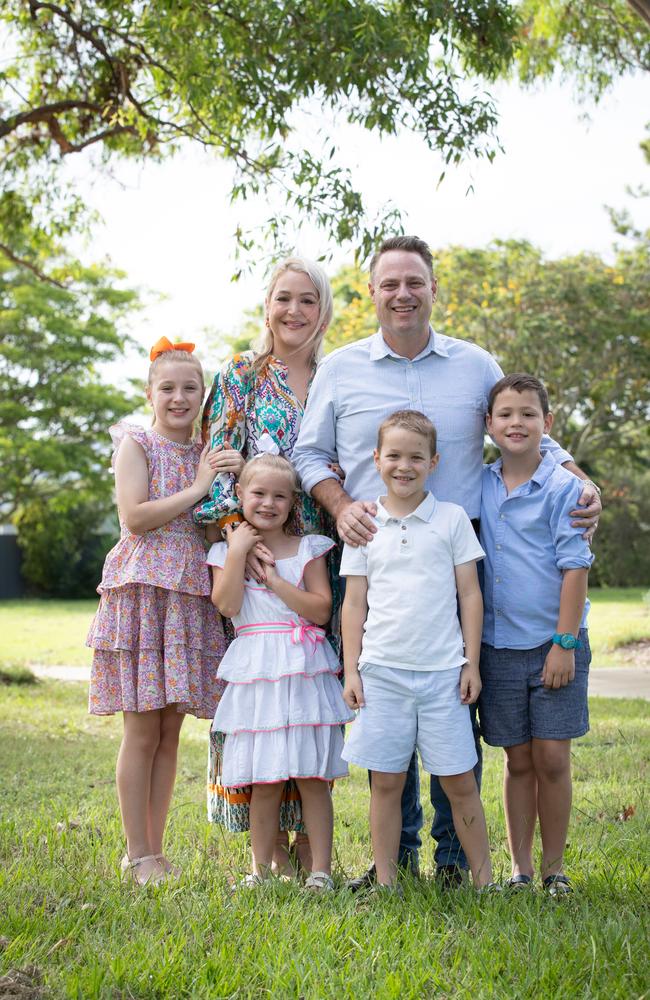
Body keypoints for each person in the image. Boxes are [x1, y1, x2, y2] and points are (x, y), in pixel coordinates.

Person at [292, 234, 602, 888]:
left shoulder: (474, 363)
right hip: (376, 554)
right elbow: (308, 455)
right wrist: (341, 501)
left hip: (463, 558)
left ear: (433, 289)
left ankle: (457, 862)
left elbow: (525, 426)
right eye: (389, 283)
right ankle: (392, 860)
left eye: (415, 282)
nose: (403, 293)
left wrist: (579, 478)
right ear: (371, 293)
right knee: (385, 700)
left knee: (453, 698)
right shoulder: (342, 370)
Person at [194, 255, 337, 875]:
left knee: (309, 704)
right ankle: (268, 851)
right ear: (267, 305)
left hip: (321, 555)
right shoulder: (241, 377)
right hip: (251, 556)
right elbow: (218, 467)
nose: (294, 311)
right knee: (261, 703)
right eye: (284, 298)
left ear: (324, 309)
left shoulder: (341, 375)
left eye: (308, 299)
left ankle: (313, 852)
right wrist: (240, 540)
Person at [87, 337, 236, 886]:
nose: (179, 397)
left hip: (186, 595)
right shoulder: (137, 445)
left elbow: (212, 517)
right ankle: (136, 852)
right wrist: (199, 486)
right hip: (144, 593)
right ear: (150, 393)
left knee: (171, 733)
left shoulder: (205, 448)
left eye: (190, 388)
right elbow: (136, 517)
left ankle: (156, 850)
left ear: (203, 395)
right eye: (168, 388)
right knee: (142, 731)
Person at [341, 410, 497, 891]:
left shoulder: (450, 519)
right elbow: (353, 603)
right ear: (377, 459)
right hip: (383, 673)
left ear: (434, 461)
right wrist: (351, 671)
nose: (403, 466)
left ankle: (485, 881)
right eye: (393, 456)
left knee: (460, 783)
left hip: (442, 675)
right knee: (386, 782)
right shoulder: (365, 524)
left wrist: (470, 661)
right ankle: (387, 880)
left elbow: (470, 594)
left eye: (415, 457)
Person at [208, 451, 354, 890]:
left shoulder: (307, 547)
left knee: (312, 775)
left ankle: (321, 871)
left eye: (279, 496)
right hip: (256, 668)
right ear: (239, 495)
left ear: (293, 503)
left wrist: (273, 580)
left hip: (303, 667)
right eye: (258, 494)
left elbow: (321, 610)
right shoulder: (223, 551)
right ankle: (261, 870)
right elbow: (228, 604)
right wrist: (237, 551)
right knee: (264, 777)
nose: (268, 503)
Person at [479, 373, 593, 895]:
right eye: (505, 414)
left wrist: (564, 644)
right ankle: (520, 869)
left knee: (551, 757)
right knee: (517, 758)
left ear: (546, 425)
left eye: (528, 414)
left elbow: (575, 568)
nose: (516, 423)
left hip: (555, 646)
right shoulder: (478, 485)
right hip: (498, 648)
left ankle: (554, 869)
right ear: (488, 426)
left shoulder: (565, 488)